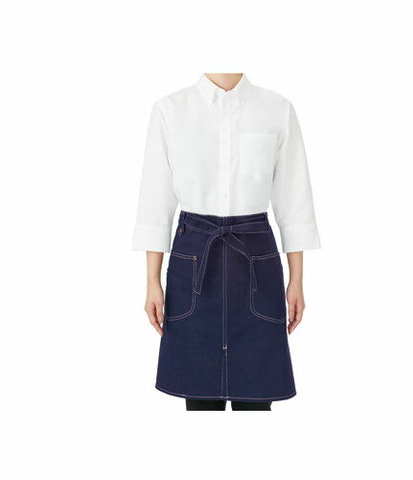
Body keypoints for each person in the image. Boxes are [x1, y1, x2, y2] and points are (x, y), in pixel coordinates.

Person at [132, 73, 321, 411]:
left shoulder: (276, 109)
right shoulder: (170, 110)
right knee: (200, 401)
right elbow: (154, 202)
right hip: (193, 260)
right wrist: (151, 282)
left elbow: (295, 200)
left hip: (256, 261)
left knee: (257, 402)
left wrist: (297, 279)